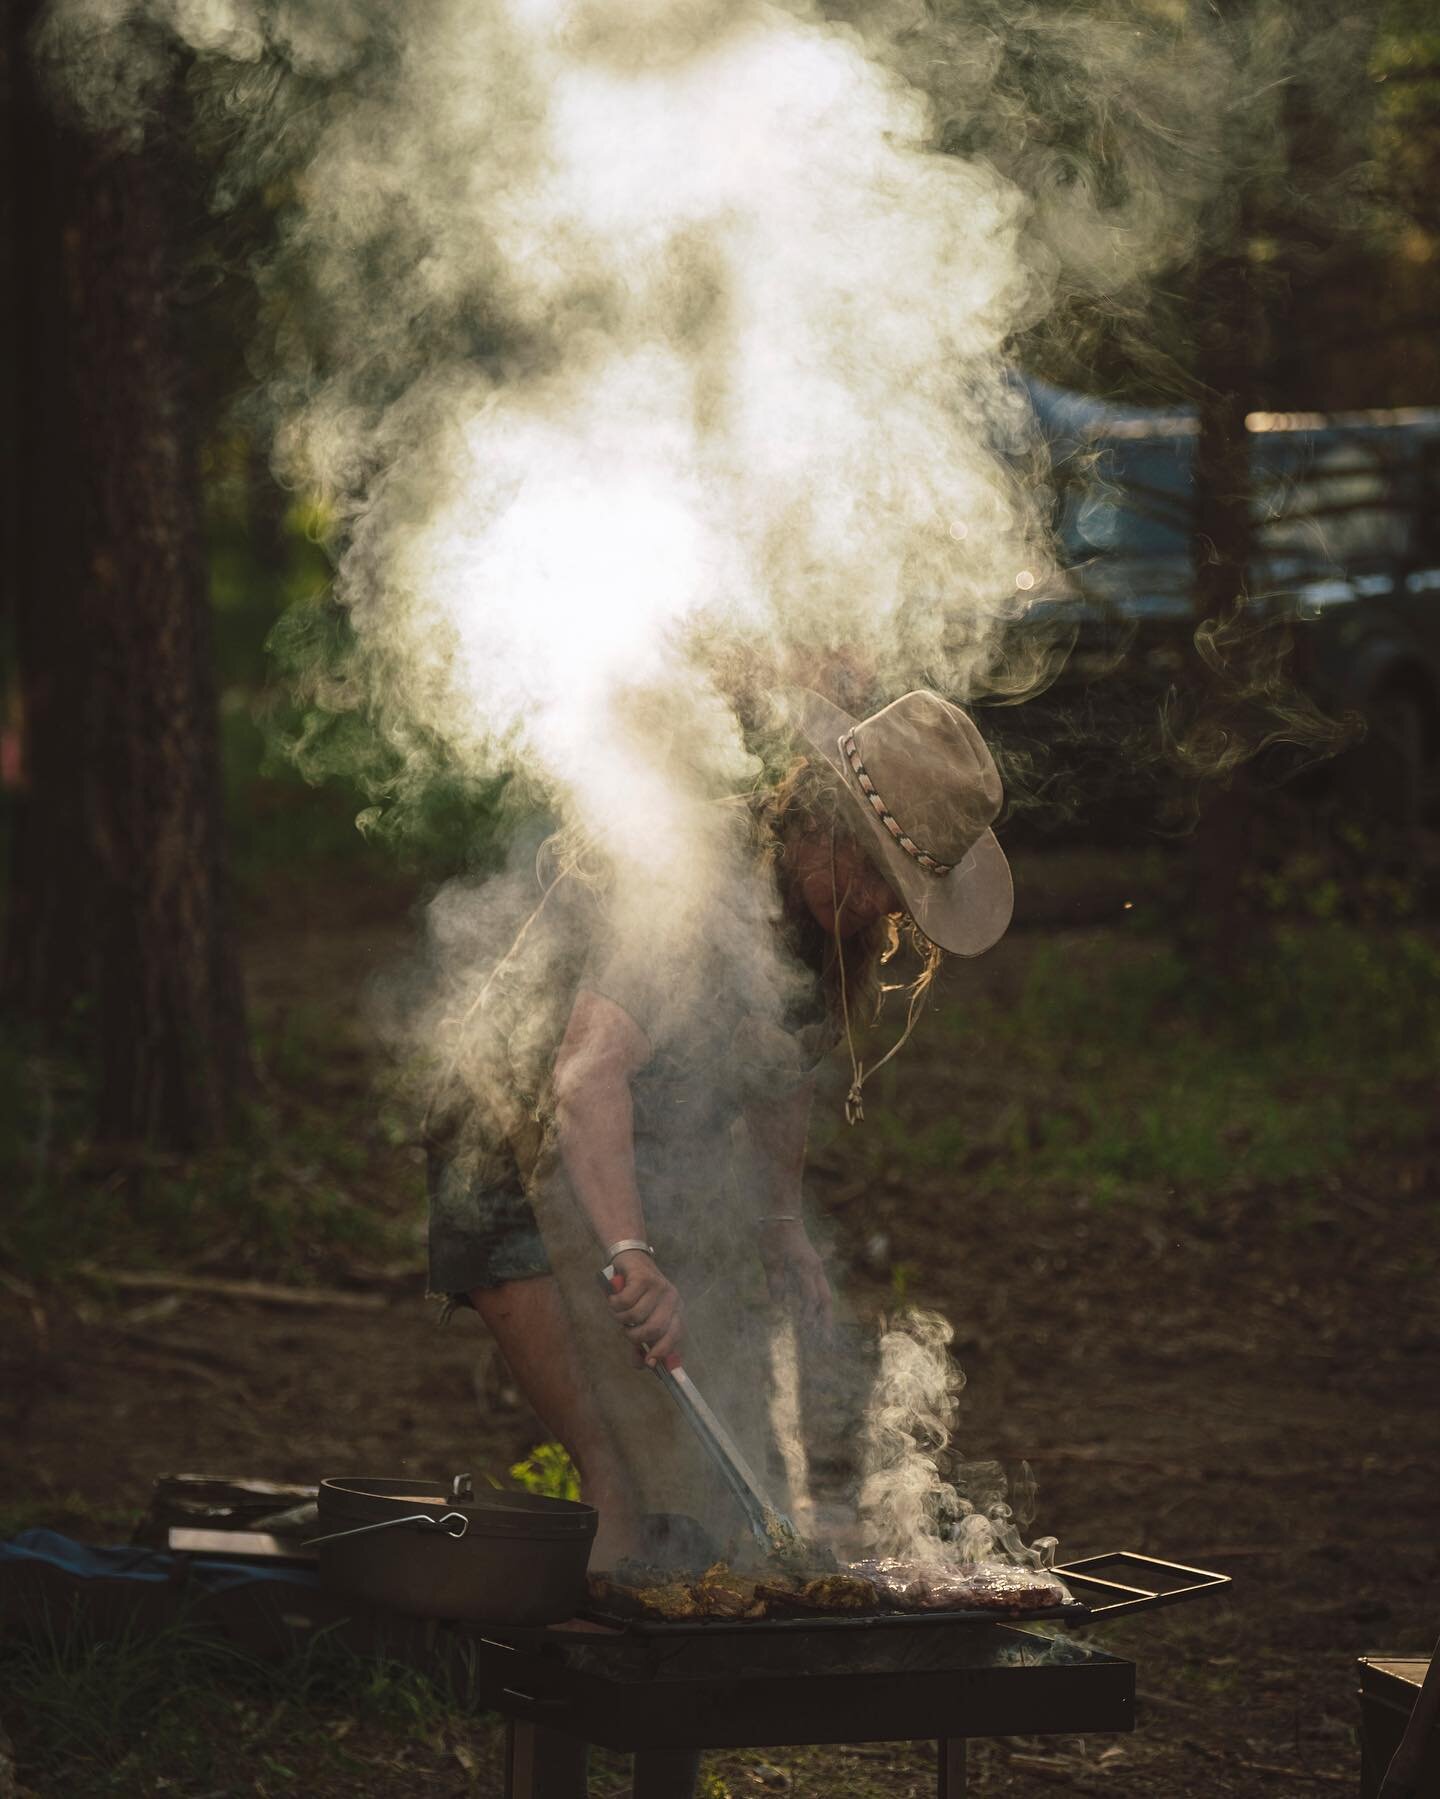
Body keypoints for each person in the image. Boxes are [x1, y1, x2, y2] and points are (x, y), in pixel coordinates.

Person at [427, 686, 1014, 1565]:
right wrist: (633, 1254)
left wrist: (781, 1221)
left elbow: (782, 1067)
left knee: (722, 1485)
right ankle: (581, 1667)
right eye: (883, 882)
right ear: (825, 822)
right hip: (510, 1139)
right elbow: (585, 1077)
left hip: (653, 1138)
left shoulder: (823, 920)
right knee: (619, 1473)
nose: (888, 912)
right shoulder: (687, 880)